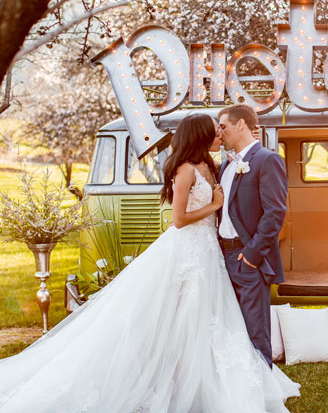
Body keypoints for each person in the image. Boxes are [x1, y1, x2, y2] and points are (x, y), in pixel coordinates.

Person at [0, 113, 299, 412]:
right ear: (200, 136)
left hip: (213, 253)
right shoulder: (185, 170)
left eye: (222, 128)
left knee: (217, 318)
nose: (219, 135)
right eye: (215, 130)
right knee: (183, 317)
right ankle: (177, 381)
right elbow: (179, 220)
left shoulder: (214, 166)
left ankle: (247, 387)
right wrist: (214, 206)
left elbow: (253, 199)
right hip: (192, 249)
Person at [216, 104, 287, 368]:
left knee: (255, 330)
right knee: (231, 328)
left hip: (247, 259)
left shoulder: (267, 160)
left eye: (223, 126)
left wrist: (252, 256)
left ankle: (263, 396)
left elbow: (275, 213)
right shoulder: (225, 166)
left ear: (241, 125)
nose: (219, 133)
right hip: (223, 257)